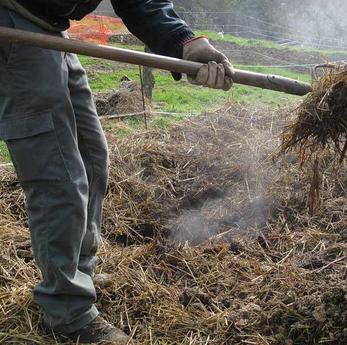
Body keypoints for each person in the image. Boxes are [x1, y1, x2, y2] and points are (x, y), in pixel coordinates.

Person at [0, 0, 234, 343]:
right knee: (58, 175)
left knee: (93, 158)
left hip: (51, 27)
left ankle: (77, 275)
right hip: (16, 25)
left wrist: (185, 42)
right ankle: (68, 311)